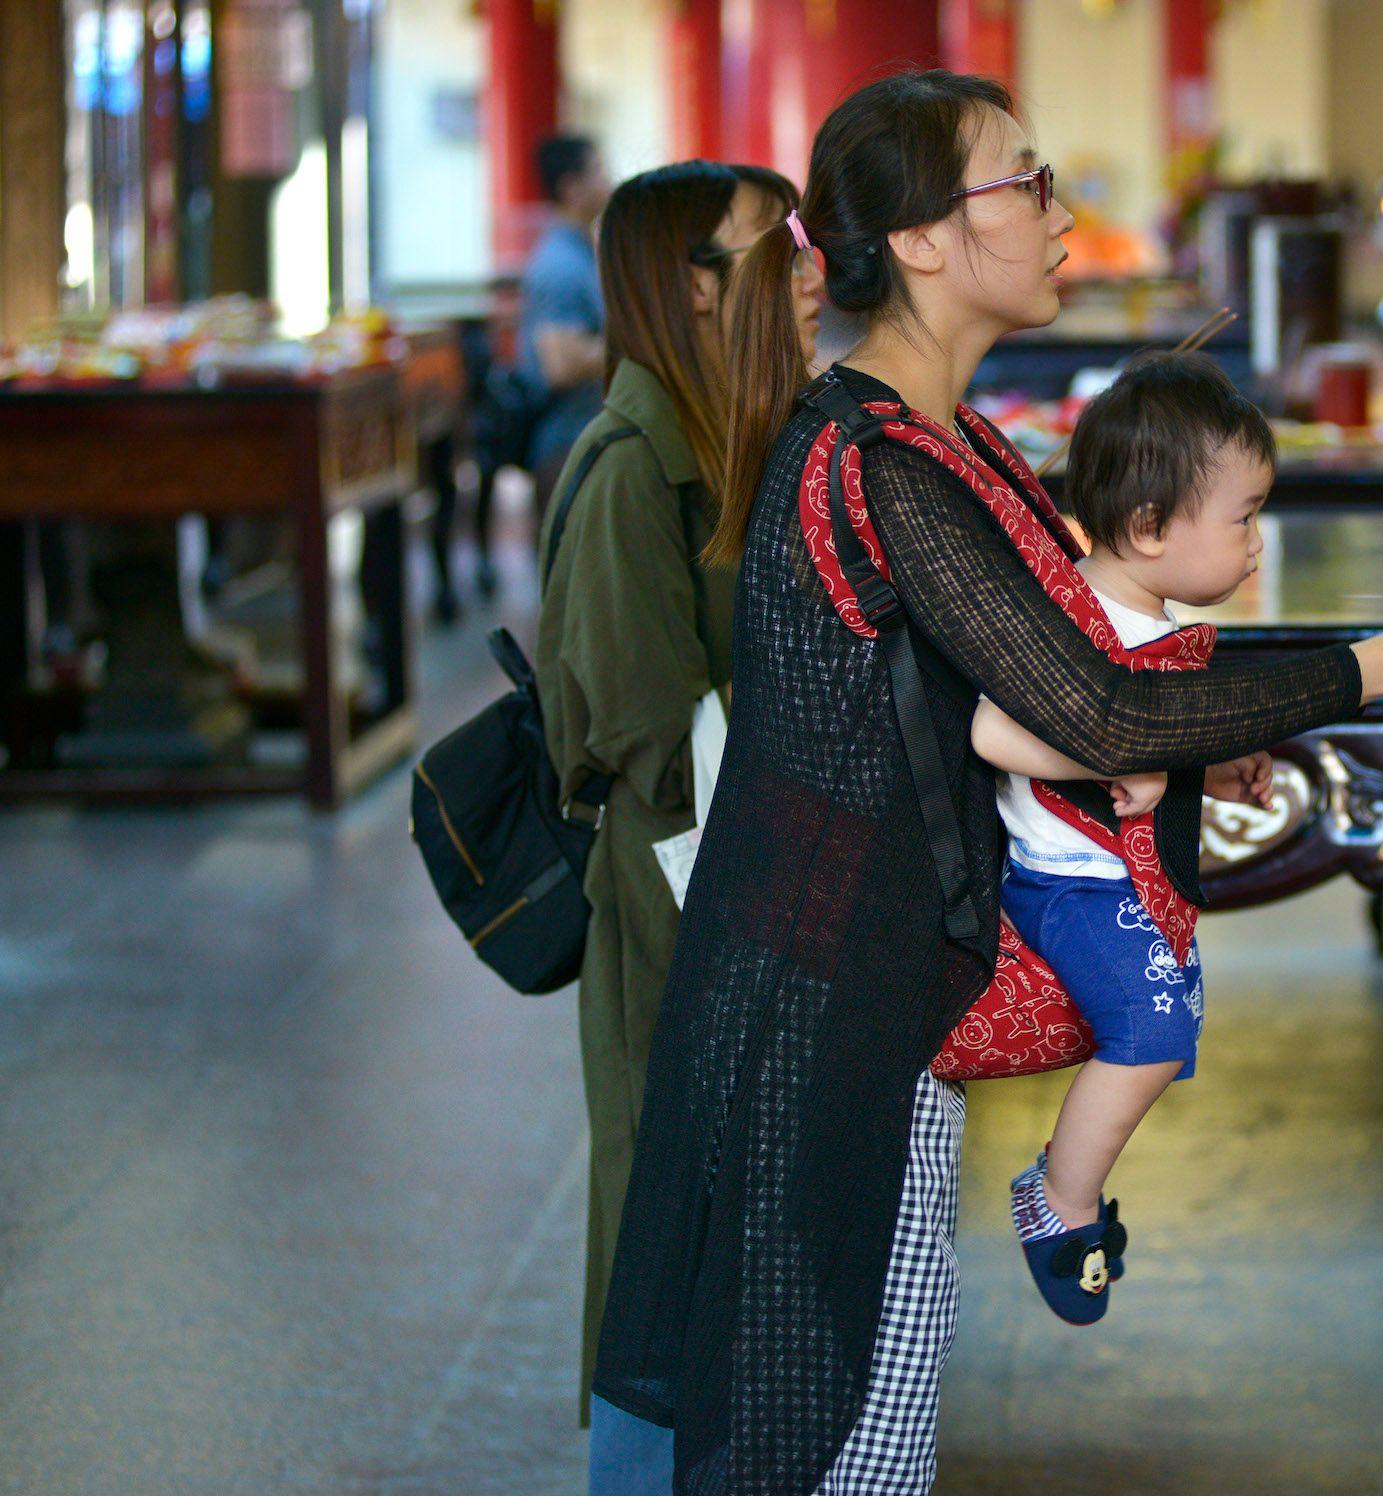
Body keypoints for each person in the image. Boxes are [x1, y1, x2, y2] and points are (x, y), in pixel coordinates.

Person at [592, 71, 1383, 1494]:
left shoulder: (947, 443)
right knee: (832, 1432)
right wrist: (1377, 665)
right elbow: (1092, 705)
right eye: (1023, 183)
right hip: (826, 1016)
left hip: (877, 994)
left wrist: (1204, 700)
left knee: (865, 1417)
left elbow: (1070, 664)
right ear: (917, 240)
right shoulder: (874, 461)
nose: (1057, 209)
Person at [533, 159, 823, 1456]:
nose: (809, 271)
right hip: (679, 900)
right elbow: (652, 740)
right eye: (774, 249)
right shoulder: (628, 473)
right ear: (692, 291)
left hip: (750, 883)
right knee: (666, 1211)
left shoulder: (737, 436)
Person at [970, 352, 1279, 1322]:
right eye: (1243, 517)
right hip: (1071, 885)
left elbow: (1151, 738)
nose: (1257, 543)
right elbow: (989, 728)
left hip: (1112, 880)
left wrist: (1202, 762)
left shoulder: (1141, 615)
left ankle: (1065, 1186)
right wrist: (1106, 754)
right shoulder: (1076, 619)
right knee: (1150, 1034)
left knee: (1168, 1023)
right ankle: (1057, 1201)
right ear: (1148, 527)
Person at [518, 135, 615, 501]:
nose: (608, 180)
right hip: (565, 445)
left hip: (581, 438)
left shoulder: (579, 252)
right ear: (571, 188)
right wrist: (642, 340)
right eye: (598, 171)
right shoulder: (560, 264)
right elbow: (559, 364)